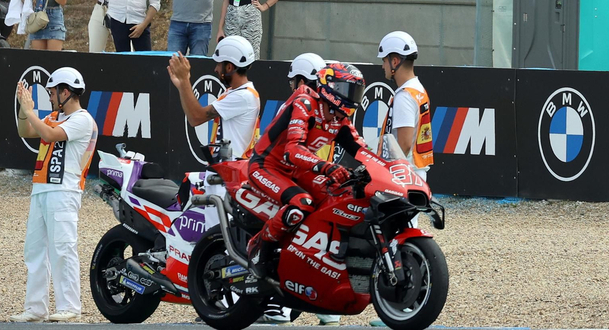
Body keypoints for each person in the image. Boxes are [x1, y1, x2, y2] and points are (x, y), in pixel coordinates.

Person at [242, 62, 365, 273]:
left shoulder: (340, 119)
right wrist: (326, 167)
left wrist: (387, 168)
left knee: (338, 193)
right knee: (302, 203)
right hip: (266, 166)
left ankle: (315, 256)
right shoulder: (305, 102)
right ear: (330, 87)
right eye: (347, 90)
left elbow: (362, 150)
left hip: (296, 171)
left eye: (356, 92)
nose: (352, 96)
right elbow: (292, 150)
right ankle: (259, 250)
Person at [13, 67, 97, 324]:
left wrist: (29, 111)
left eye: (52, 92)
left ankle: (69, 306)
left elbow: (49, 135)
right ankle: (35, 308)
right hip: (41, 188)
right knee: (35, 250)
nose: (49, 97)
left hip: (64, 191)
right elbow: (26, 131)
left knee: (63, 248)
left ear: (66, 92)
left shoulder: (82, 119)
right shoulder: (53, 116)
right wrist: (22, 108)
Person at [167, 37, 260, 161]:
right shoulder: (235, 92)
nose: (215, 69)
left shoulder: (243, 96)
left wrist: (185, 80)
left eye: (219, 64)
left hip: (231, 174)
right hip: (225, 170)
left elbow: (196, 117)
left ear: (229, 67)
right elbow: (193, 117)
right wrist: (182, 85)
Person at [377, 31, 431, 181]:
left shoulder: (405, 96)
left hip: (404, 177)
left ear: (395, 61)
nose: (383, 66)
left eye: (384, 61)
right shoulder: (418, 89)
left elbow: (404, 144)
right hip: (414, 173)